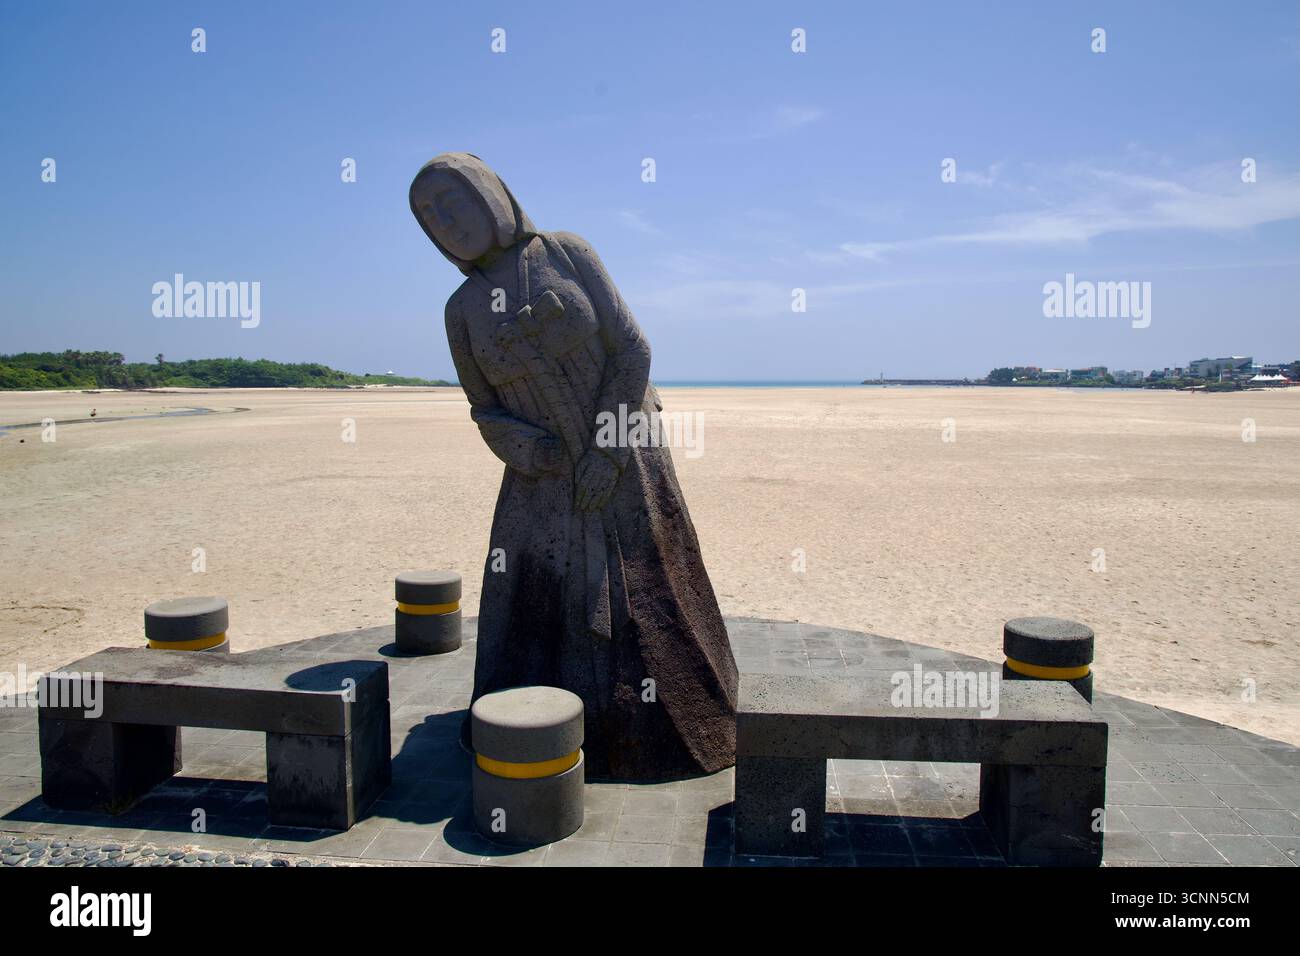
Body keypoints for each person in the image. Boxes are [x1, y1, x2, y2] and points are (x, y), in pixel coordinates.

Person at [410, 153, 736, 780]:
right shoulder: (462, 311)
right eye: (429, 216)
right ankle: (534, 729)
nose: (445, 220)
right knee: (536, 594)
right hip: (542, 477)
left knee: (647, 584)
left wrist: (605, 451)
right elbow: (485, 409)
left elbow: (631, 347)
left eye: (454, 200)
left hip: (629, 455)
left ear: (494, 196)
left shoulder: (565, 253)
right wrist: (539, 453)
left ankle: (667, 730)